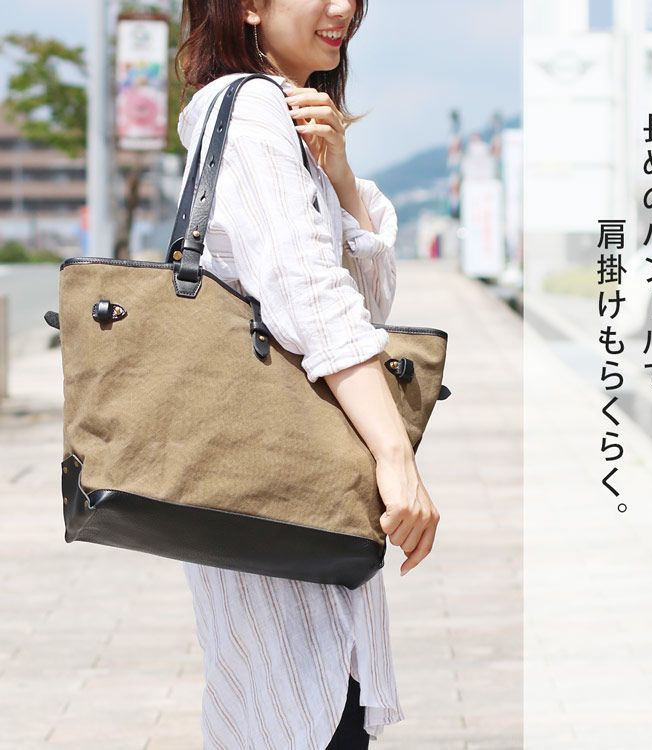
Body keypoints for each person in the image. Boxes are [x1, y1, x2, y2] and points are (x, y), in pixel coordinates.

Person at [175, 1, 440, 747]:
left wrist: (341, 178)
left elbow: (367, 307)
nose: (343, 8)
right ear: (249, 6)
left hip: (286, 496)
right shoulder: (250, 111)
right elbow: (312, 301)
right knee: (300, 710)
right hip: (273, 492)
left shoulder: (287, 121)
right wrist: (395, 455)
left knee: (298, 705)